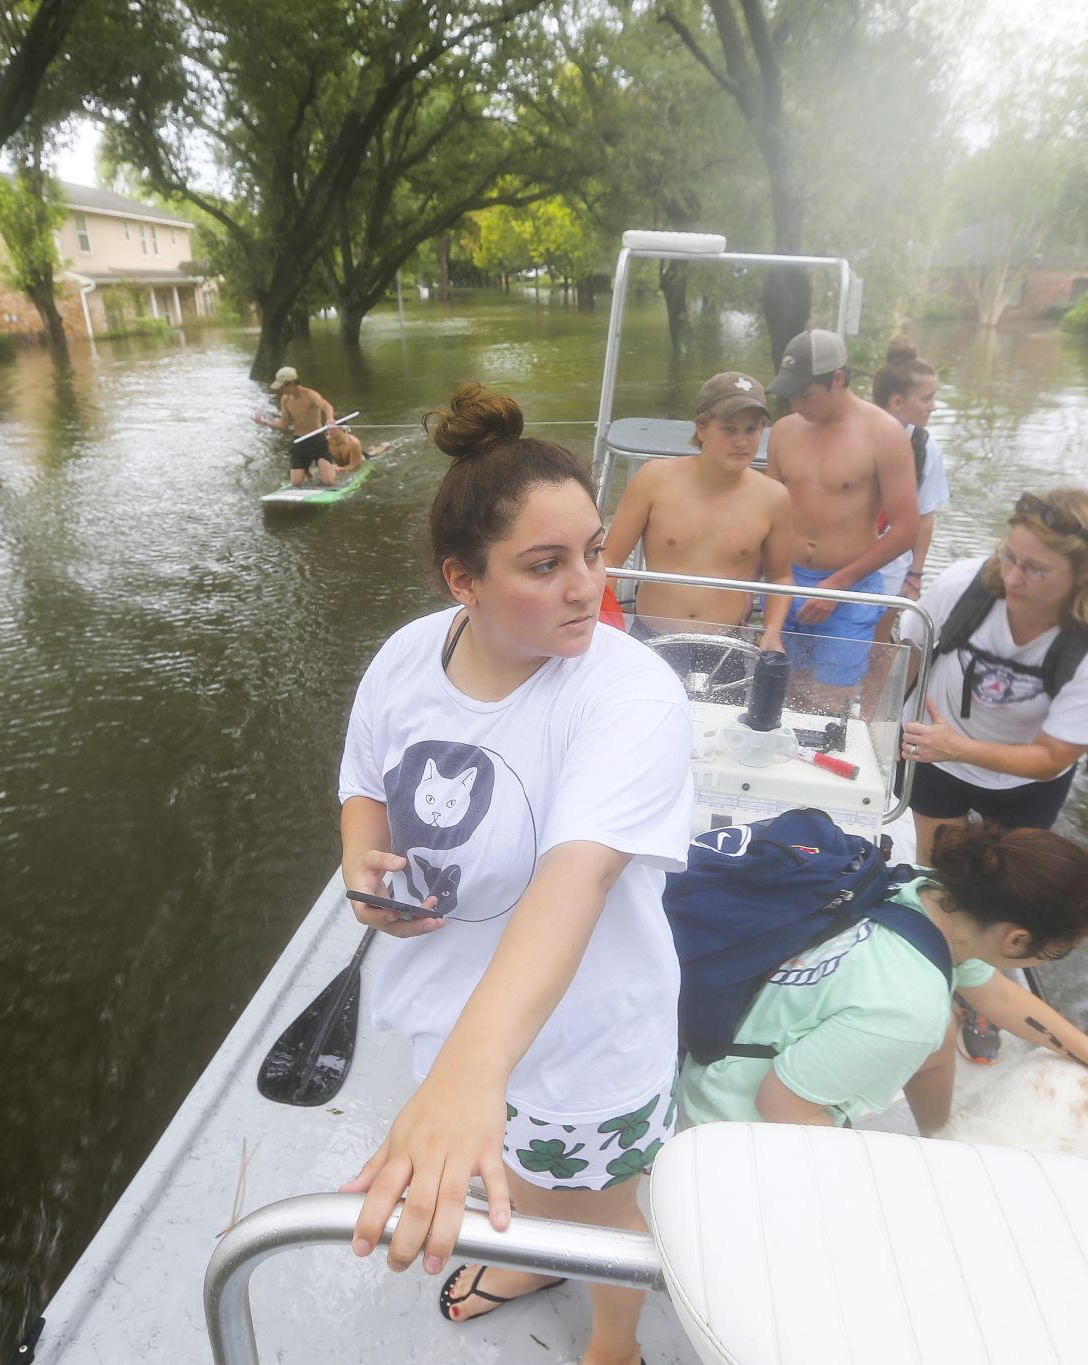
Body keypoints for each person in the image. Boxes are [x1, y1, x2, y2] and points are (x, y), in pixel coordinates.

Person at [338, 383, 694, 1365]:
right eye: (545, 566)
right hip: (451, 1014)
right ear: (464, 581)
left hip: (583, 1033)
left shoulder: (626, 692)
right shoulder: (406, 658)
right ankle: (535, 1259)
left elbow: (572, 881)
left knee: (600, 1210)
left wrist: (470, 1072)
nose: (589, 585)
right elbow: (364, 781)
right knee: (527, 1188)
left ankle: (612, 1344)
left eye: (591, 549)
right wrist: (356, 860)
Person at [676, 821, 1088, 1138]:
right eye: (1060, 949)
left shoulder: (925, 892)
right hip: (727, 1123)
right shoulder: (907, 1008)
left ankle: (935, 1143)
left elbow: (999, 995)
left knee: (942, 1037)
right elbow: (782, 1107)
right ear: (1016, 940)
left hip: (732, 1038)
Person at [897, 487, 1088, 1062]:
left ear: (1086, 570)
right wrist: (883, 727)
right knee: (940, 872)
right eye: (1009, 556)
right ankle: (947, 976)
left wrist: (961, 747)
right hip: (934, 748)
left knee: (1010, 889)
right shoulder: (963, 586)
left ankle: (984, 994)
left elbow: (1054, 754)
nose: (1012, 576)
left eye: (1035, 568)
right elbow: (904, 655)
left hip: (1025, 774)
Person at [764, 328, 918, 713]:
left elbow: (905, 529)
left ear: (838, 379)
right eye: (791, 394)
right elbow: (767, 510)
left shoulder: (884, 433)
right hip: (787, 581)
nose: (797, 404)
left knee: (830, 701)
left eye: (806, 394)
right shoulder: (784, 431)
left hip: (848, 589)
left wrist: (836, 586)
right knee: (785, 691)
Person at [601, 371, 795, 661]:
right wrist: (605, 626)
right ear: (701, 429)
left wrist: (772, 632)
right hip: (651, 638)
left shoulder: (774, 497)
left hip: (725, 645)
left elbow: (780, 576)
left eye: (751, 430)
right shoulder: (654, 479)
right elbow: (610, 560)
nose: (742, 442)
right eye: (729, 429)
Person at [860, 336, 948, 718]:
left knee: (877, 643)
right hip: (843, 554)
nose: (933, 406)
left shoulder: (925, 448)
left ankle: (864, 716)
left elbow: (924, 515)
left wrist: (915, 572)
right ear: (897, 402)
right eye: (926, 399)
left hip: (890, 561)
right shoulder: (854, 433)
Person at [255, 365, 364, 486]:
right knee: (296, 483)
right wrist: (265, 422)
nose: (281, 390)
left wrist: (329, 419)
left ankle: (329, 474)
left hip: (317, 440)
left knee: (328, 481)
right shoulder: (285, 399)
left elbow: (327, 406)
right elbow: (284, 424)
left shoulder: (310, 394)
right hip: (300, 440)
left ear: (291, 383)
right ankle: (308, 473)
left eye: (282, 387)